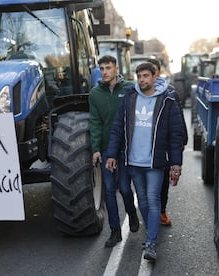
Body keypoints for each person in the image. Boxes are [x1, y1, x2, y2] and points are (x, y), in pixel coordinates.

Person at [105, 62, 184, 261]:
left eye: (146, 76)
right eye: (139, 76)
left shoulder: (167, 100)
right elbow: (117, 127)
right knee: (143, 201)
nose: (142, 80)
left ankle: (150, 242)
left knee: (153, 199)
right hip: (133, 161)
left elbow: (175, 134)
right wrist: (112, 154)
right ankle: (152, 235)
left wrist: (176, 163)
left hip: (155, 162)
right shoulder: (130, 98)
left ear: (154, 77)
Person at [88, 55, 139, 248]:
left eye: (108, 68)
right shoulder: (95, 94)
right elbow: (94, 122)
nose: (104, 72)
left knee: (125, 188)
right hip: (105, 148)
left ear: (116, 68)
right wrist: (95, 149)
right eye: (101, 68)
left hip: (125, 148)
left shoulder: (129, 88)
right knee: (109, 191)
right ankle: (115, 231)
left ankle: (132, 213)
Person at [146, 58, 188, 226]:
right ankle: (149, 210)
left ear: (158, 73)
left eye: (153, 72)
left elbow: (178, 119)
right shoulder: (137, 93)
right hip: (144, 147)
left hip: (162, 145)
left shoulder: (170, 92)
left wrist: (182, 140)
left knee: (163, 181)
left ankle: (161, 211)